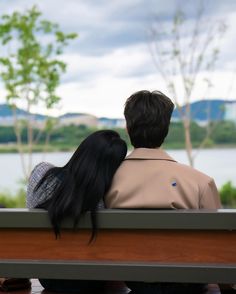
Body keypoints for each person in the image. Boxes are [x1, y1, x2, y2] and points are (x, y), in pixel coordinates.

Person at [105, 90, 221, 294]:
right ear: (166, 128)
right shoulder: (201, 182)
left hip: (133, 279)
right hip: (188, 282)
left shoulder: (105, 179)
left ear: (127, 127)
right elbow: (216, 246)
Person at [27, 130, 127, 293]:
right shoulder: (103, 202)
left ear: (82, 151)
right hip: (92, 281)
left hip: (48, 277)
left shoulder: (41, 175)